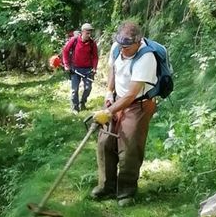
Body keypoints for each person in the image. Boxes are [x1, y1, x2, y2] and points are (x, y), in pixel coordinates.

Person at [91, 21, 157, 206]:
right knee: (105, 142)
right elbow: (113, 69)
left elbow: (131, 95)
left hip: (138, 104)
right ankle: (107, 186)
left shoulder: (146, 58)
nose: (123, 50)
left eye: (127, 47)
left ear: (138, 42)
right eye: (121, 46)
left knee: (129, 148)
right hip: (117, 99)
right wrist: (108, 92)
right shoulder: (117, 47)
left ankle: (126, 191)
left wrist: (108, 111)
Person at [62, 23, 98, 113]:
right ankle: (75, 107)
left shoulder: (92, 43)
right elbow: (65, 51)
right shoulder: (74, 40)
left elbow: (95, 57)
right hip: (75, 69)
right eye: (87, 33)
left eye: (90, 33)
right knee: (75, 89)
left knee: (88, 88)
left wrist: (94, 68)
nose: (89, 35)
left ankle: (82, 103)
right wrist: (66, 65)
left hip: (88, 70)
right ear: (82, 32)